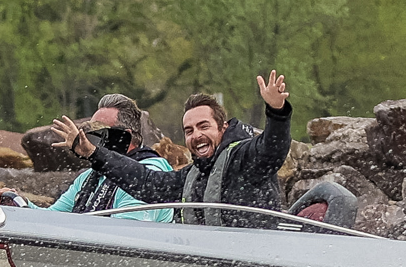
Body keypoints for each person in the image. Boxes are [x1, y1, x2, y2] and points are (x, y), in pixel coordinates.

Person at [53, 71, 292, 227]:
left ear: (223, 128)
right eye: (189, 131)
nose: (196, 135)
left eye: (203, 126)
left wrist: (277, 111)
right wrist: (93, 153)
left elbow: (274, 149)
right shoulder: (193, 176)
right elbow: (146, 183)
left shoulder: (247, 159)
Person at [0, 95, 175, 221]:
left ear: (125, 136)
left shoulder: (149, 172)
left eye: (100, 132)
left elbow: (128, 236)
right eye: (91, 133)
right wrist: (21, 204)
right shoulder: (88, 177)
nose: (90, 140)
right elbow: (53, 219)